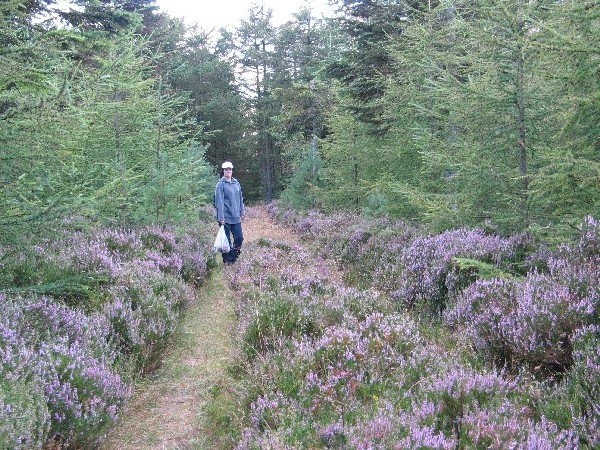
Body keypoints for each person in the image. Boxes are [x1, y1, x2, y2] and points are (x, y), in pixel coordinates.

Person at [214, 161, 245, 265]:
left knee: (239, 237)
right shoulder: (220, 185)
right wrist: (221, 217)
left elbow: (240, 198)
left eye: (230, 169)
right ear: (223, 171)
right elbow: (219, 202)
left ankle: (234, 255)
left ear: (232, 170)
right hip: (225, 218)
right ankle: (228, 261)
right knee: (226, 241)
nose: (228, 171)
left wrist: (242, 211)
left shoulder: (236, 183)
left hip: (236, 216)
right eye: (226, 169)